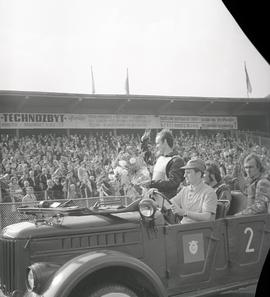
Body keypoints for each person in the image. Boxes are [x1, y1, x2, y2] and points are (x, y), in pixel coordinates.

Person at [171, 159, 218, 224]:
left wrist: (184, 213)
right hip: (182, 228)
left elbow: (207, 217)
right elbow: (170, 203)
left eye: (188, 172)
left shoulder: (208, 192)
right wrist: (155, 198)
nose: (184, 176)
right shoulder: (185, 190)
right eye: (185, 172)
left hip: (197, 230)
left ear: (198, 174)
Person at [142, 129, 185, 199]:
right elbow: (146, 158)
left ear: (165, 141)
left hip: (166, 202)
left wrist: (151, 183)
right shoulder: (159, 157)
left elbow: (173, 183)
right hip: (153, 197)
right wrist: (143, 142)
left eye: (158, 143)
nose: (156, 146)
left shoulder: (177, 160)